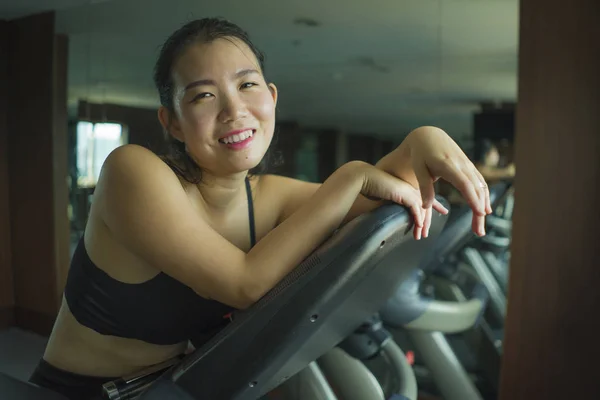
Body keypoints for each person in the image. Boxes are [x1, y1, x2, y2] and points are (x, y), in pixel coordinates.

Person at [29, 17, 492, 399]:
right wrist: (350, 175)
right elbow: (244, 283)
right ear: (171, 121)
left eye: (246, 85)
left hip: (178, 387)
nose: (234, 111)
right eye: (203, 95)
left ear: (270, 98)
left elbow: (383, 195)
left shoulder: (266, 196)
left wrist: (422, 139)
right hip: (80, 393)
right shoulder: (131, 172)